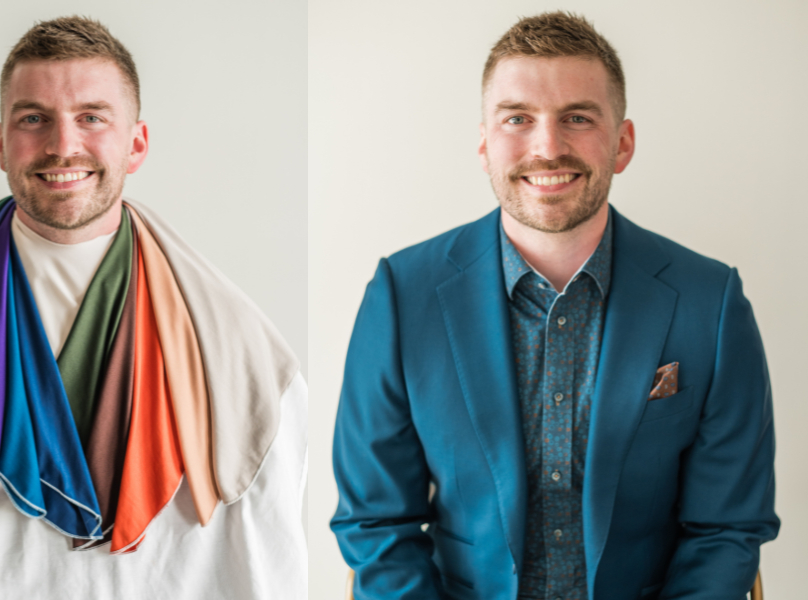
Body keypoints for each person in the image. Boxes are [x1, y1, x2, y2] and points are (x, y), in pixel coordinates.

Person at [0, 16, 308, 599]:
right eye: (34, 119)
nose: (63, 144)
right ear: (2, 143)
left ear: (136, 144)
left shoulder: (239, 347)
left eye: (92, 118)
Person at [330, 11, 778, 600]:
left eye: (577, 118)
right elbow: (376, 522)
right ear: (486, 144)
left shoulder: (711, 302)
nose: (548, 146)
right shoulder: (400, 296)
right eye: (518, 118)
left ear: (622, 143)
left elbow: (726, 528)